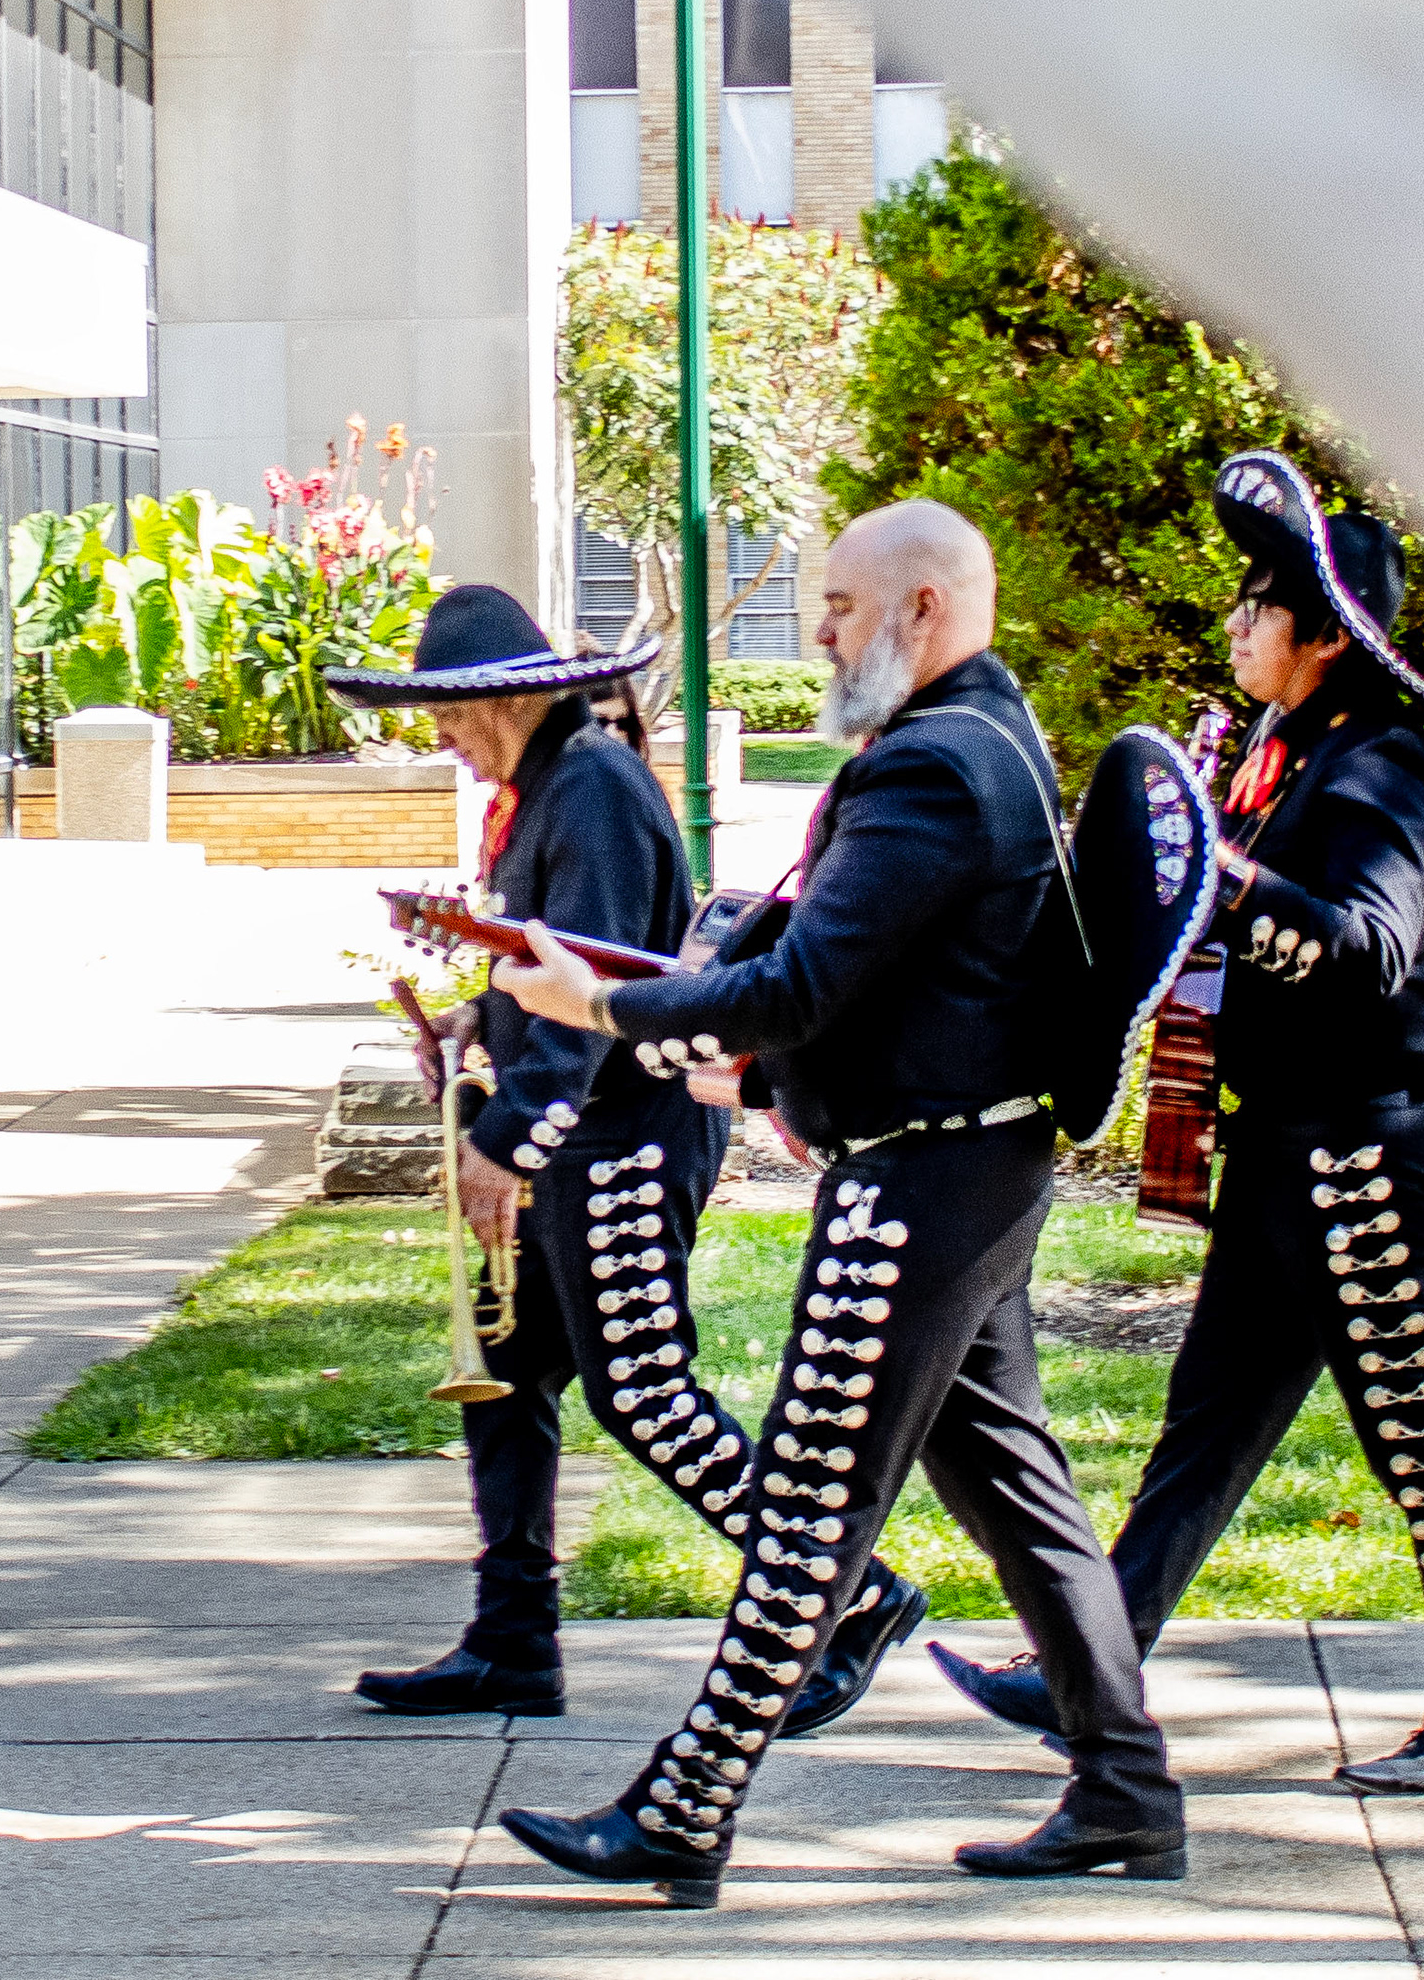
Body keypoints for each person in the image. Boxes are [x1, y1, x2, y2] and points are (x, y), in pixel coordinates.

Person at [490, 501, 1183, 1906]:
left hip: (926, 1185)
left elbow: (802, 981)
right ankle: (1125, 1793)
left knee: (810, 1508)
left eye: (841, 606)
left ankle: (685, 1809)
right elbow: (916, 985)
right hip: (967, 1165)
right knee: (1022, 1499)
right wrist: (753, 1084)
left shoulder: (932, 770)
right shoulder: (981, 744)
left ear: (925, 607)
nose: (818, 631)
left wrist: (608, 1005)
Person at [935, 449, 1424, 1795]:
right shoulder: (1278, 747)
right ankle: (1097, 1664)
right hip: (1280, 1137)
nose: (1236, 625)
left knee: (1414, 1425)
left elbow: (1367, 950)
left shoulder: (1386, 770)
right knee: (1207, 1420)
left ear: (1327, 636)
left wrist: (1224, 871)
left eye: (1260, 604)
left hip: (1366, 1149)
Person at [331, 584, 926, 1731]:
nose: (441, 738)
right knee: (506, 1376)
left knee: (643, 1391)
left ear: (504, 700)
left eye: (448, 714)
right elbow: (559, 974)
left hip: (626, 1140)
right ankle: (512, 1639)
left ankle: (847, 1595)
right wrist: (477, 1025)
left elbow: (589, 1005)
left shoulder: (589, 788)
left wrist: (506, 1142)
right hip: (590, 1133)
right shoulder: (554, 784)